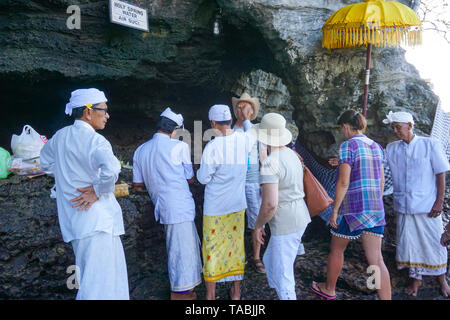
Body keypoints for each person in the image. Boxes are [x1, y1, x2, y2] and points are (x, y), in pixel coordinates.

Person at [40, 88, 129, 300]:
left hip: (76, 223)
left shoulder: (60, 137)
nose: (107, 115)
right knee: (100, 287)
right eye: (104, 110)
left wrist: (65, 176)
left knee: (94, 280)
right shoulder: (96, 141)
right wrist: (97, 190)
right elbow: (113, 169)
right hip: (99, 223)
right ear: (88, 112)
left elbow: (45, 162)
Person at [311, 110, 391, 300]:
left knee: (337, 250)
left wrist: (335, 210)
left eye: (341, 129)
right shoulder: (376, 146)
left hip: (352, 210)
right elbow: (380, 181)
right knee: (376, 259)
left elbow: (343, 182)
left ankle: (329, 289)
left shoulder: (348, 146)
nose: (342, 133)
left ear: (346, 127)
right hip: (375, 210)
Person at [132, 107, 202, 300]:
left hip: (162, 207)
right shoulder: (179, 147)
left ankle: (185, 290)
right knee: (181, 251)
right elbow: (189, 178)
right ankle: (179, 293)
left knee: (179, 247)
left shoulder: (141, 150)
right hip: (179, 206)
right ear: (175, 130)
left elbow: (138, 185)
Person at [383, 110, 450, 297]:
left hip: (428, 206)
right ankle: (416, 279)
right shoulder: (392, 148)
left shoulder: (429, 144)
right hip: (404, 206)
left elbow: (441, 174)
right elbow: (378, 165)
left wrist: (439, 201)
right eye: (393, 127)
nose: (395, 131)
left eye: (398, 127)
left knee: (436, 243)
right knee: (410, 244)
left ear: (410, 126)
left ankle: (442, 280)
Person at [251, 113, 311, 300]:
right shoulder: (292, 154)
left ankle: (286, 295)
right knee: (271, 260)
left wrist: (258, 225)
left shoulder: (270, 162)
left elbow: (270, 204)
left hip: (285, 222)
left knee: (284, 274)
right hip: (300, 214)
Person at [197, 104, 254, 300]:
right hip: (237, 205)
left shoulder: (212, 147)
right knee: (236, 247)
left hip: (215, 208)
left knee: (212, 249)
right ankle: (236, 291)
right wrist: (246, 117)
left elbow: (203, 178)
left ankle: (211, 295)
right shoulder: (245, 140)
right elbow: (252, 131)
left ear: (213, 123)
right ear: (230, 121)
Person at [232, 92, 267, 274]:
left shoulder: (256, 130)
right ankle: (237, 255)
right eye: (239, 106)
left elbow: (263, 156)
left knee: (256, 220)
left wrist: (264, 182)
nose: (241, 109)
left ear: (252, 110)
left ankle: (256, 257)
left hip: (253, 181)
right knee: (235, 219)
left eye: (245, 106)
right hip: (235, 183)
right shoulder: (230, 131)